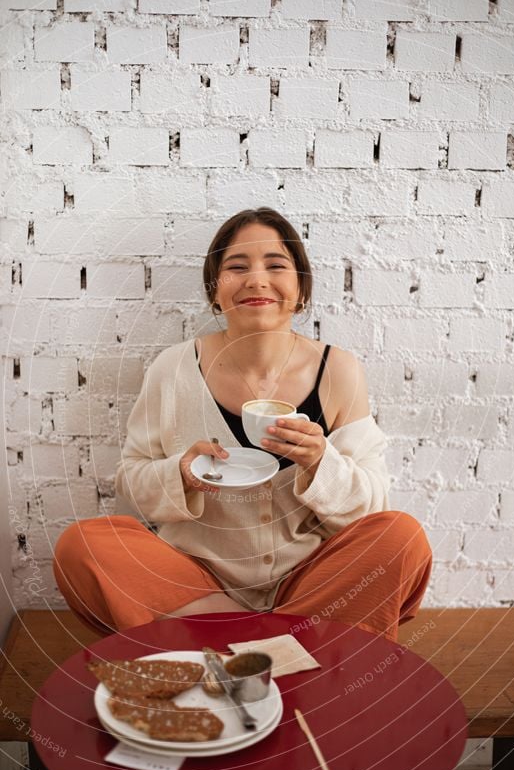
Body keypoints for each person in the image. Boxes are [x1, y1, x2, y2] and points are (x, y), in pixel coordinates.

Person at [54, 207, 432, 641]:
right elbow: (130, 482)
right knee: (83, 545)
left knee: (401, 537)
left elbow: (373, 506)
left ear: (300, 289)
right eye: (237, 267)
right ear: (215, 292)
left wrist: (320, 462)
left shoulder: (338, 370)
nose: (256, 280)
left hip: (309, 582)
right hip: (196, 584)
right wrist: (179, 474)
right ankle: (281, 642)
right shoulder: (172, 368)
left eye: (276, 265)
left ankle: (229, 641)